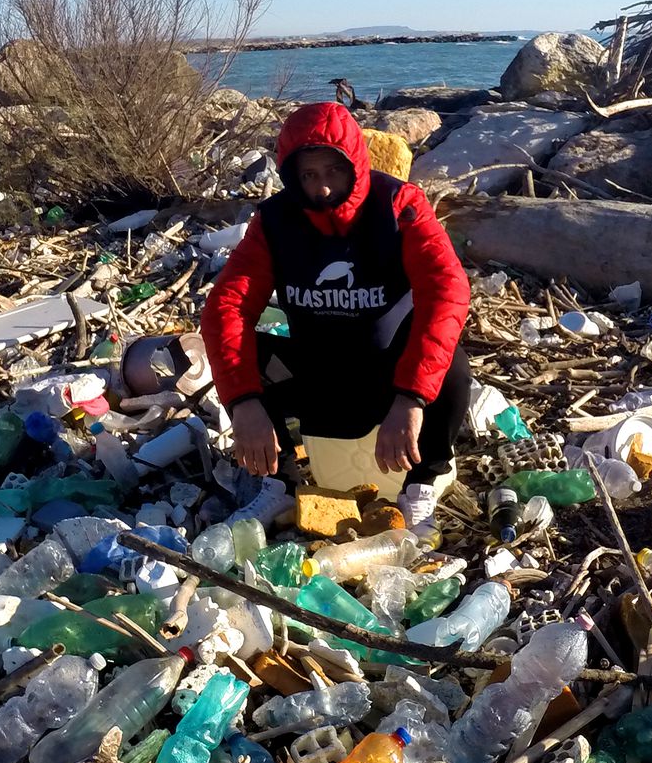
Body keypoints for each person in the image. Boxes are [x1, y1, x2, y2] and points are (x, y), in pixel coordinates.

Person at [201, 101, 471, 537]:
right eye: (308, 176)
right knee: (249, 356)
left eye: (332, 172)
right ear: (291, 176)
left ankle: (423, 483)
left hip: (390, 378)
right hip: (319, 374)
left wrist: (412, 399)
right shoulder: (275, 221)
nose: (322, 189)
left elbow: (448, 290)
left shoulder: (399, 206)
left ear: (355, 166)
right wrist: (242, 402)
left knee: (453, 365)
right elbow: (226, 306)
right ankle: (281, 484)